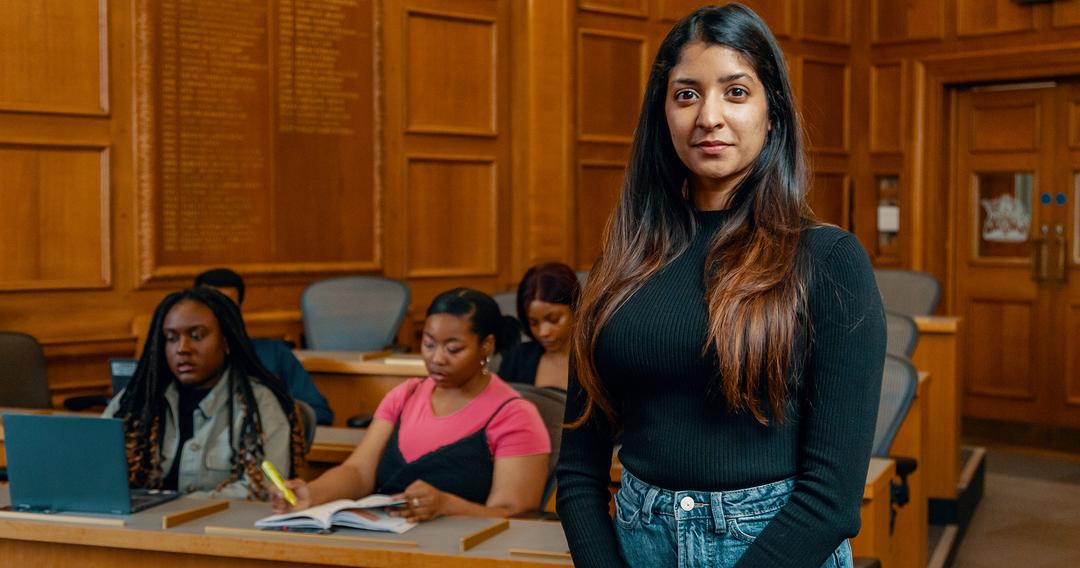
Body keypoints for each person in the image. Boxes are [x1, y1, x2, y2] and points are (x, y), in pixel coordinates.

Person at [556, 5, 886, 568]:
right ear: (663, 113)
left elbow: (832, 499)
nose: (708, 116)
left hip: (776, 548)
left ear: (772, 113)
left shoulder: (829, 261)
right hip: (640, 543)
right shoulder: (623, 262)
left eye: (735, 92)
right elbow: (578, 471)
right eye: (686, 94)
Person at [271, 288, 551, 522]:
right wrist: (312, 493)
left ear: (487, 345)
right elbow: (358, 472)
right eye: (429, 345)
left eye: (453, 349)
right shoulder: (405, 395)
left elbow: (514, 516)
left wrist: (446, 506)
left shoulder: (515, 415)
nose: (437, 358)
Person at [104, 288, 304, 500]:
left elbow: (263, 491)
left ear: (227, 342)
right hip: (138, 527)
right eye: (171, 338)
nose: (182, 348)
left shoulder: (259, 403)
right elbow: (95, 467)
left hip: (220, 529)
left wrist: (172, 506)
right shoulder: (137, 399)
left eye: (197, 336)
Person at [194, 268, 333, 425]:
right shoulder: (186, 359)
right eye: (212, 306)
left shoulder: (274, 353)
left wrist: (270, 415)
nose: (220, 314)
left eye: (229, 306)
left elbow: (319, 412)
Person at [498, 262, 580, 391]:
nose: (543, 332)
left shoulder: (596, 360)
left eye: (553, 320)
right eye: (533, 323)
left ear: (576, 308)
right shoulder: (516, 358)